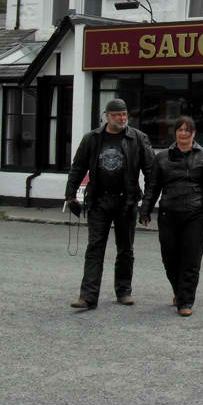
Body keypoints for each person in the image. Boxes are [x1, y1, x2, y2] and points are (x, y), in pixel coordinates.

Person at [66, 98, 154, 310]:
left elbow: (151, 172)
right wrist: (70, 195)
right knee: (94, 248)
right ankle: (88, 296)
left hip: (127, 200)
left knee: (125, 249)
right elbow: (78, 167)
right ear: (107, 116)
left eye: (124, 114)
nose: (122, 118)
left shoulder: (138, 138)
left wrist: (147, 206)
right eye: (117, 115)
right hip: (99, 200)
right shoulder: (92, 138)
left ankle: (124, 291)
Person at [139, 116, 203, 317]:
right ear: (175, 132)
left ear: (194, 134)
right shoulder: (162, 158)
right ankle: (178, 290)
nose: (184, 133)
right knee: (169, 258)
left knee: (190, 259)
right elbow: (153, 187)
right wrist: (145, 210)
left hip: (197, 215)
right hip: (169, 213)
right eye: (180, 130)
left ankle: (185, 301)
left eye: (188, 130)